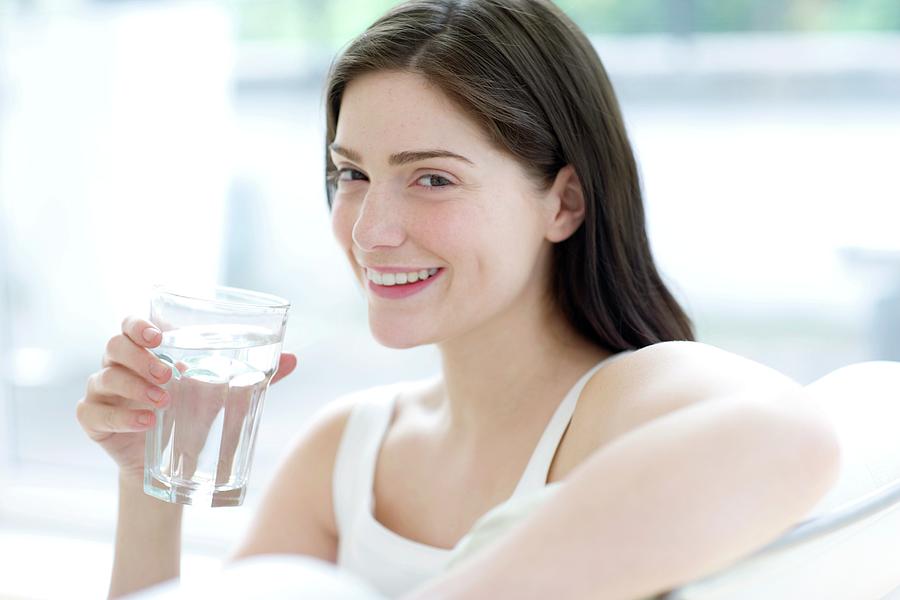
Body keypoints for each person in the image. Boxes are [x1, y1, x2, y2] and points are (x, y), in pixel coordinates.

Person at [76, 0, 843, 598]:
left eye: (432, 178)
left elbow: (795, 438)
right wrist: (147, 484)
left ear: (564, 203)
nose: (372, 231)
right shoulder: (348, 452)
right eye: (353, 174)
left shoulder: (620, 401)